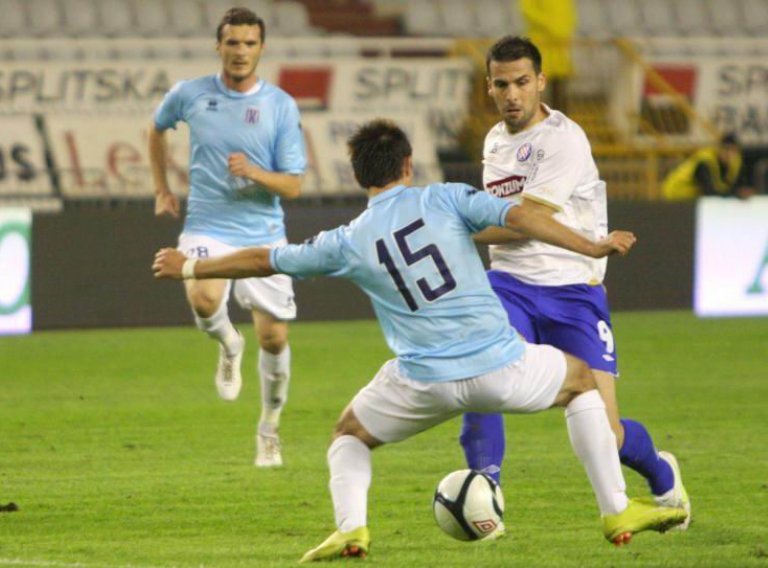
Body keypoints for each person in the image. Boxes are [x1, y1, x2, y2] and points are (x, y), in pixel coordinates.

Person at [153, 119, 687, 562]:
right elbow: (523, 216)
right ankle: (615, 506)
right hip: (501, 366)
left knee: (348, 435)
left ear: (359, 176)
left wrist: (192, 267)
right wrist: (590, 245)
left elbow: (264, 257)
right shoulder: (448, 199)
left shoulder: (346, 240)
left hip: (422, 383)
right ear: (408, 165)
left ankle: (352, 529)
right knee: (580, 382)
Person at [459, 35, 691, 528]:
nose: (512, 94)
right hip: (510, 285)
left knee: (605, 433)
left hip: (572, 292)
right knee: (482, 374)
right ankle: (485, 496)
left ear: (541, 81)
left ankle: (662, 475)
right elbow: (504, 222)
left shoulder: (564, 138)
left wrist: (455, 225)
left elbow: (522, 220)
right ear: (489, 87)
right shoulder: (495, 140)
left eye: (522, 82)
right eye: (502, 84)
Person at [148, 7, 306, 468]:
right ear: (218, 47)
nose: (240, 52)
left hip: (263, 232)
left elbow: (293, 186)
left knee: (274, 339)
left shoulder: (279, 105)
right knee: (202, 298)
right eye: (232, 43)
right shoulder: (190, 94)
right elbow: (156, 129)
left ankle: (269, 430)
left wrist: (254, 172)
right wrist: (161, 188)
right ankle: (229, 344)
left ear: (261, 48)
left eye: (249, 43)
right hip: (207, 224)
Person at [662, 132, 755, 200]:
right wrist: (736, 194)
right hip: (676, 195)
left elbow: (735, 185)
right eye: (725, 149)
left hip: (694, 198)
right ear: (719, 149)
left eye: (733, 150)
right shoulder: (705, 162)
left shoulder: (736, 163)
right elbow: (709, 192)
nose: (728, 154)